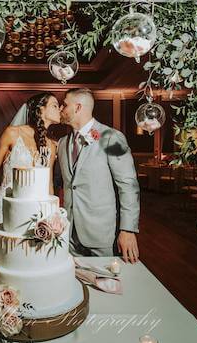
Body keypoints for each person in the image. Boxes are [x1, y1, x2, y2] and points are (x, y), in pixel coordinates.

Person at [58, 88, 141, 263]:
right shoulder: (62, 143)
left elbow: (128, 186)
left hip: (102, 234)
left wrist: (128, 230)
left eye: (64, 105)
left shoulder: (112, 138)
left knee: (108, 283)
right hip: (69, 234)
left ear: (78, 107)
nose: (61, 109)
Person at [0, 92, 61, 229]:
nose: (60, 109)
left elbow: (48, 182)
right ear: (40, 110)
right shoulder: (13, 133)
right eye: (55, 105)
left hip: (36, 209)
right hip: (8, 205)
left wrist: (52, 213)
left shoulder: (51, 145)